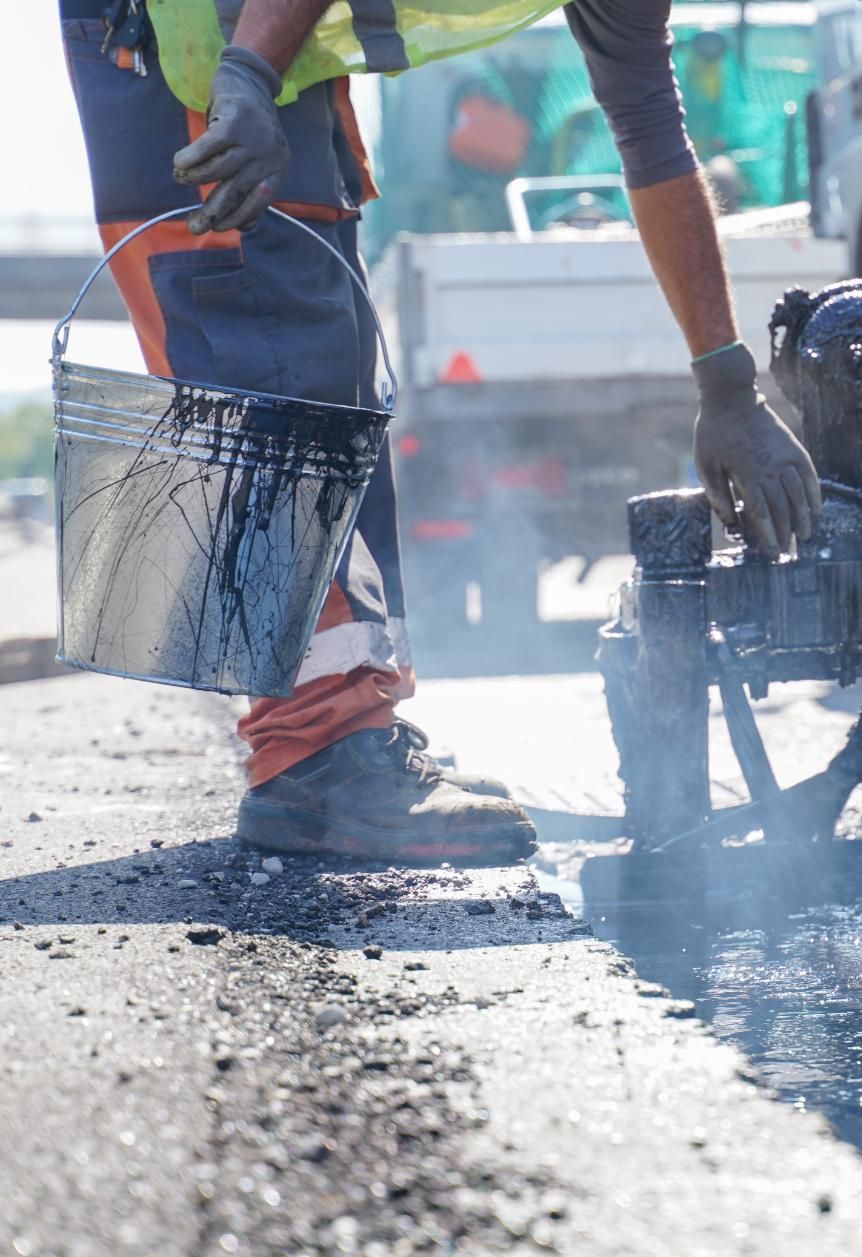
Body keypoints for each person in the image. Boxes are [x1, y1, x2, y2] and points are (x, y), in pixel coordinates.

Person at [59, 0, 820, 865]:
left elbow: (650, 131)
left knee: (332, 376)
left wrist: (725, 382)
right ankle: (315, 760)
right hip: (190, 48)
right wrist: (246, 77)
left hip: (270, 53)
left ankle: (354, 729)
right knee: (271, 383)